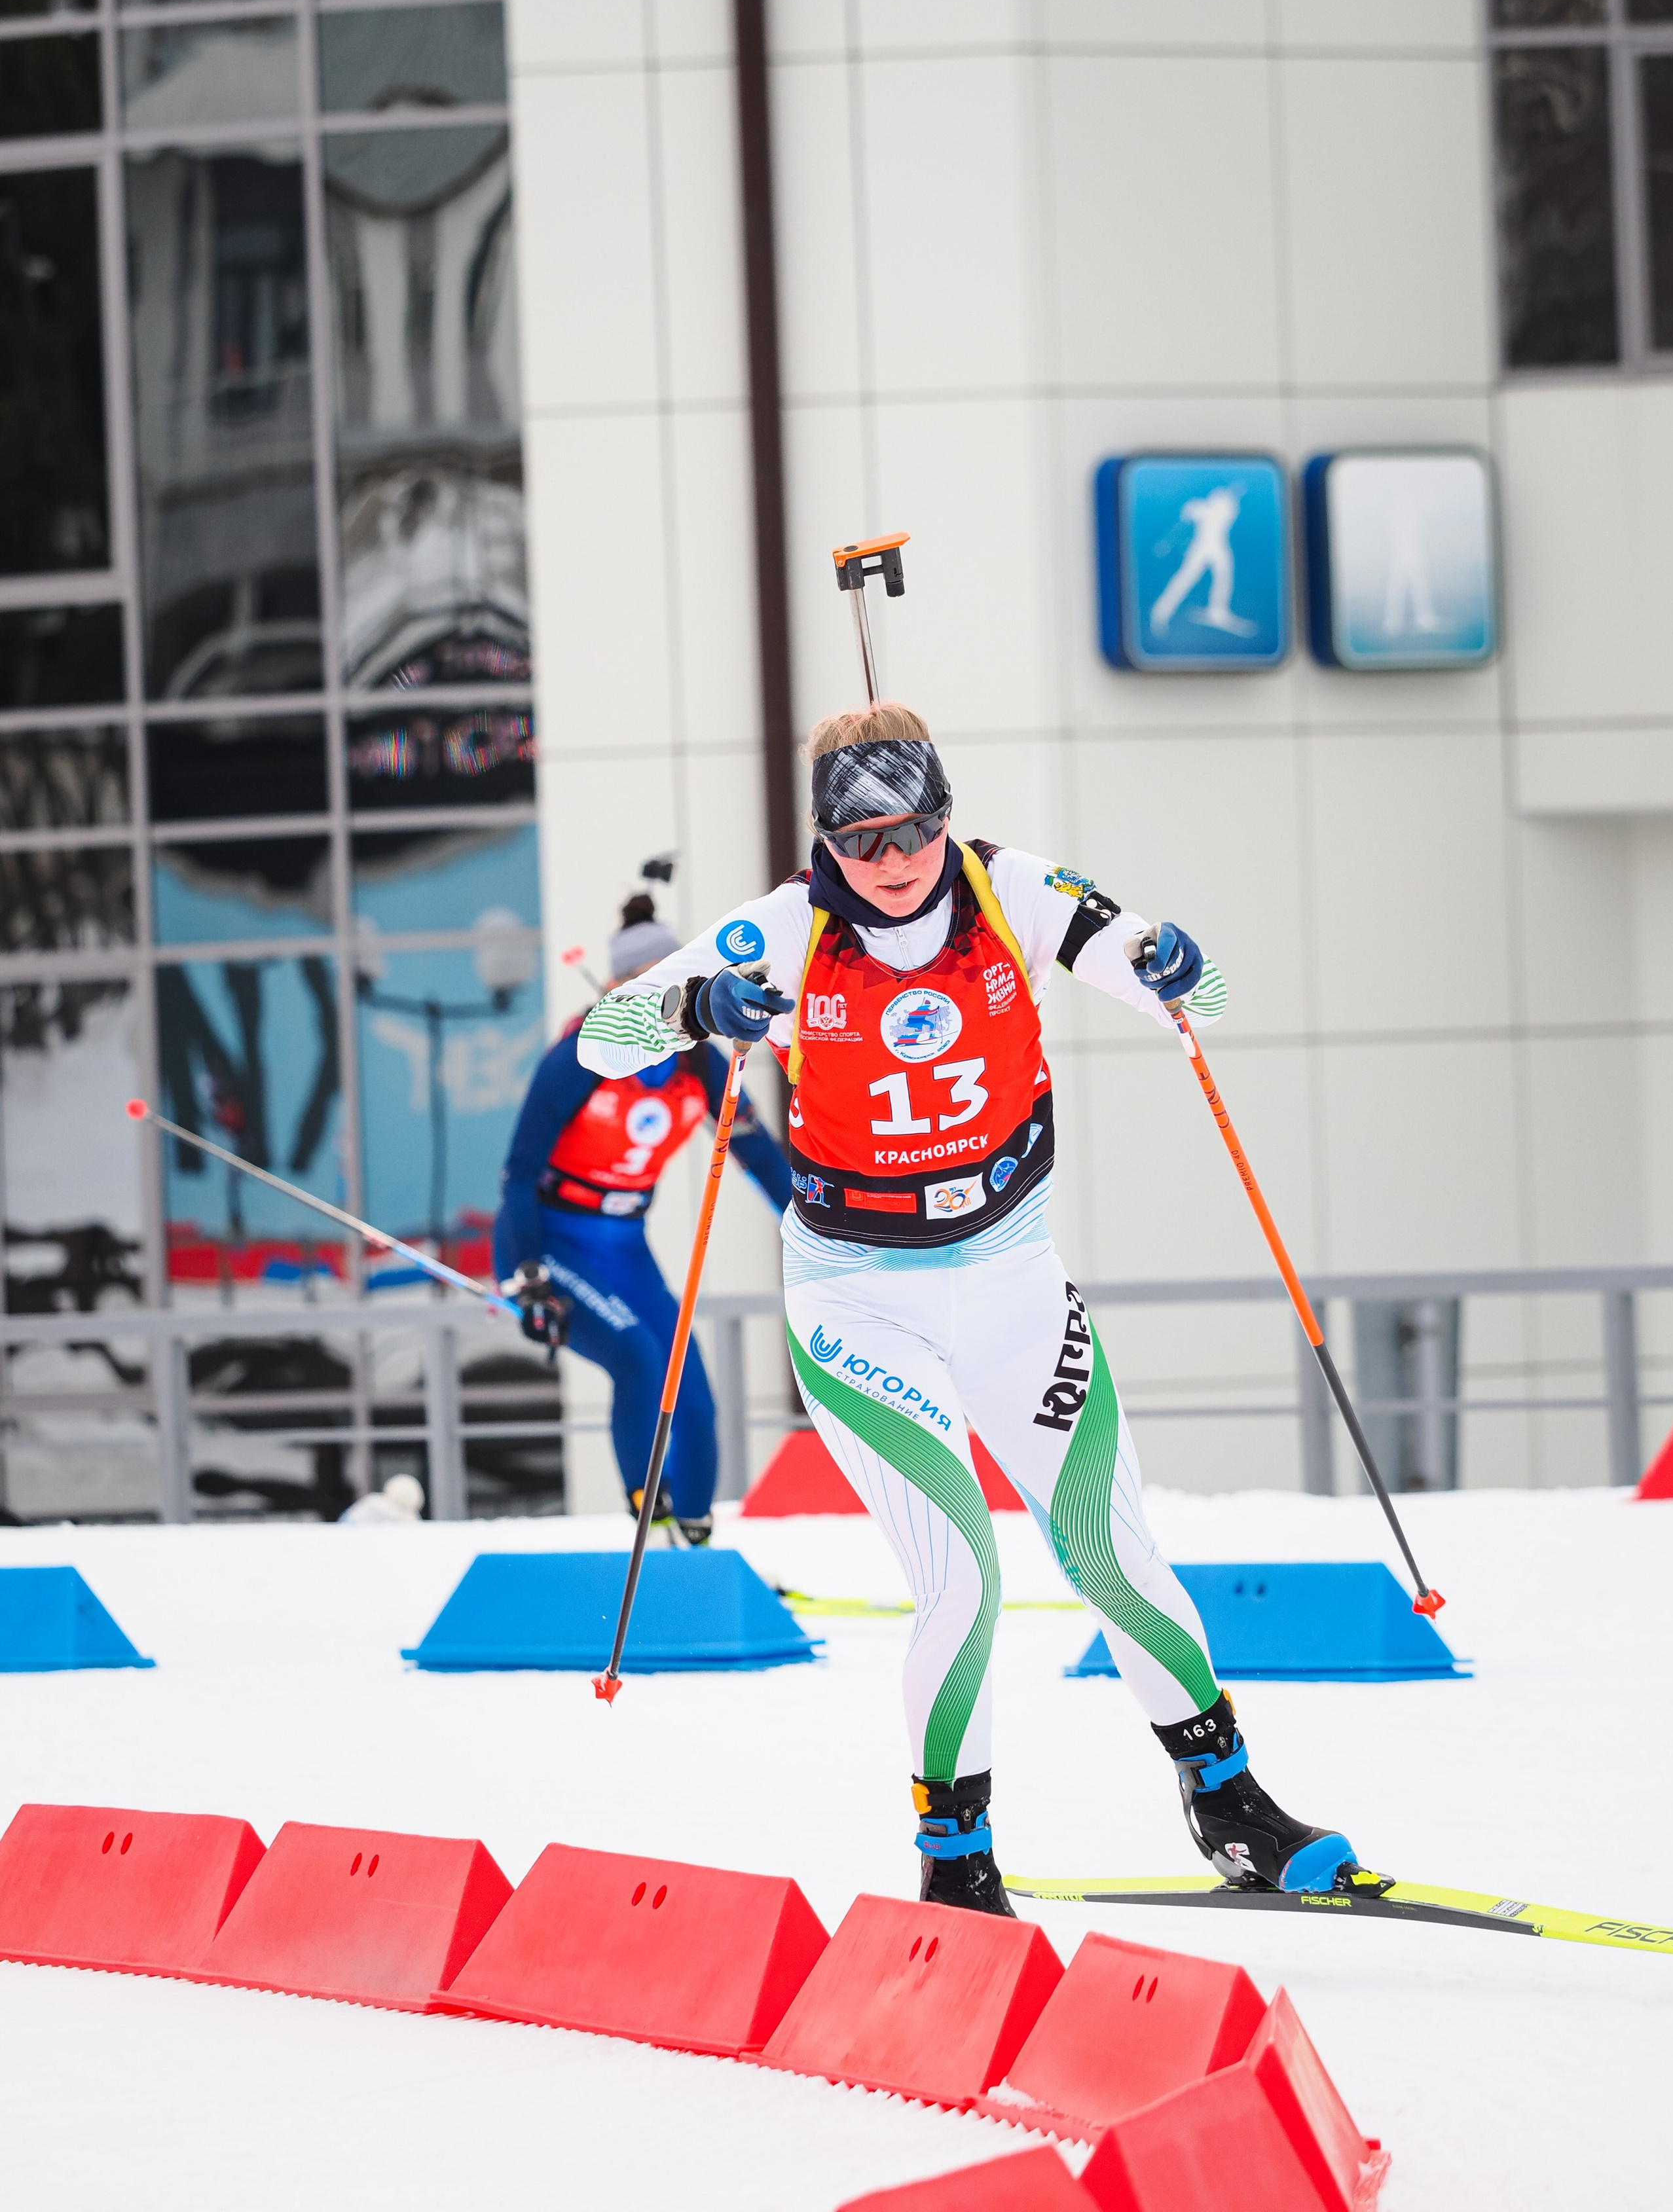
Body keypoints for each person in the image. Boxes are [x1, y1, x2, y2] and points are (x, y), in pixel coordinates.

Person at [574, 706, 1360, 1911]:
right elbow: (600, 1039)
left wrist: (1173, 963)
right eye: (861, 840)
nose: (893, 861)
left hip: (1014, 1284)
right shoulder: (781, 929)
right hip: (859, 1301)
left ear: (948, 817)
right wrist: (697, 1010)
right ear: (826, 841)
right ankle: (954, 1857)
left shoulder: (1011, 891)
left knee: (1110, 1548)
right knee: (961, 1577)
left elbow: (1193, 990)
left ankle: (1230, 1801)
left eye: (915, 831)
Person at [493, 893, 792, 1542]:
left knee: (692, 1389)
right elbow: (518, 1170)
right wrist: (528, 1273)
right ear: (618, 987)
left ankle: (696, 1538)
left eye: (671, 978)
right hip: (551, 1243)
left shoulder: (700, 1060)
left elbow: (763, 1159)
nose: (660, 995)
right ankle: (650, 1525)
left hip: (624, 1247)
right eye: (642, 981)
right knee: (637, 1356)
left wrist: (817, 1230)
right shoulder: (582, 1056)